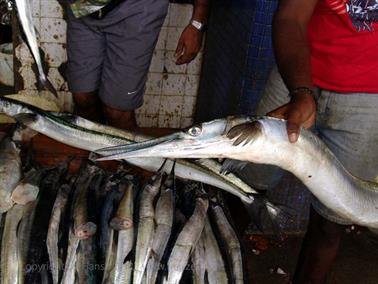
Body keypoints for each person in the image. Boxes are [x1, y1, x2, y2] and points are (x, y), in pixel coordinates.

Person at [240, 0, 378, 283]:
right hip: (298, 75)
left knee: (331, 222)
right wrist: (301, 91)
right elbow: (291, 17)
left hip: (369, 98)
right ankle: (217, 263)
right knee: (240, 183)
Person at [64, 0, 209, 129]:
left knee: (117, 111)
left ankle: (129, 158)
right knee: (83, 97)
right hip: (82, 9)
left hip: (136, 8)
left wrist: (197, 23)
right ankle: (93, 151)